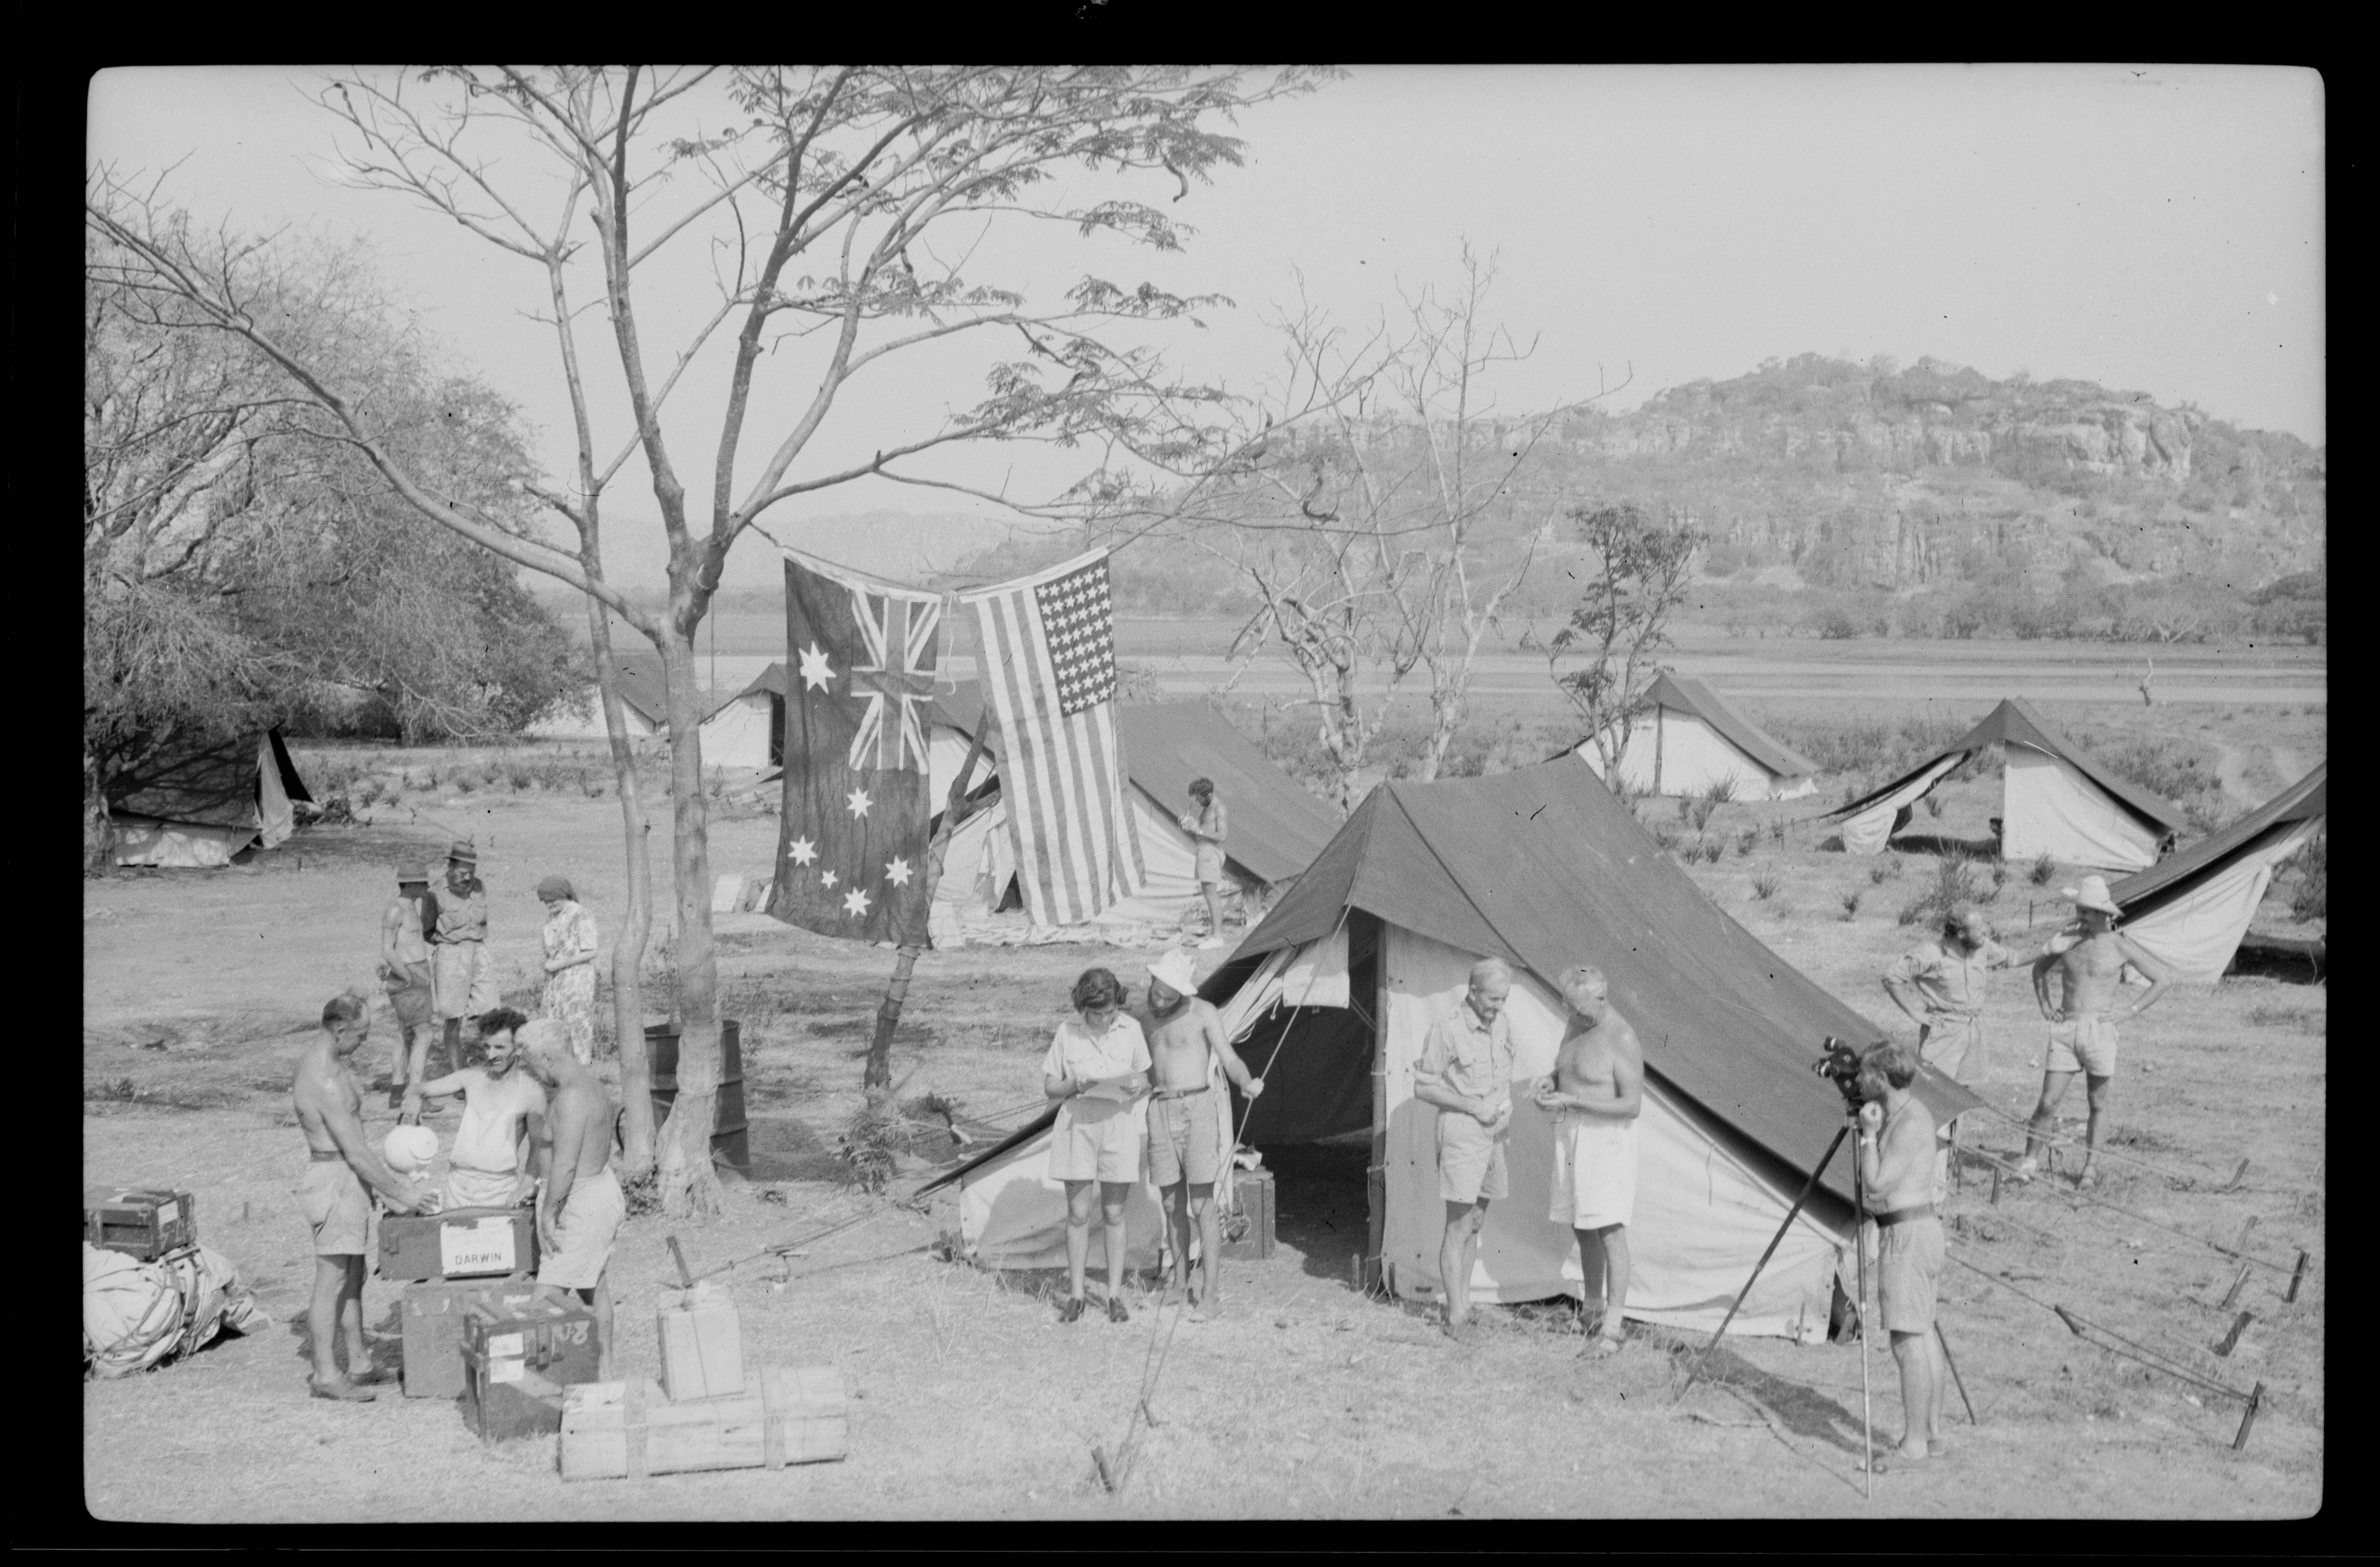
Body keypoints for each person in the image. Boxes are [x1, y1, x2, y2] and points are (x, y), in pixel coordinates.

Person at [291, 992, 431, 1401]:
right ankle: (325, 1375)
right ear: (339, 1030)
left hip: (348, 1177)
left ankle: (359, 1362)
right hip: (335, 1176)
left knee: (354, 1275)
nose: (364, 1042)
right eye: (361, 1034)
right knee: (332, 1277)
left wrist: (375, 1187)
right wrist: (402, 1193)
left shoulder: (335, 1065)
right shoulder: (324, 1079)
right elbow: (354, 1151)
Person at [2014, 875, 2175, 1190]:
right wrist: (2045, 1005)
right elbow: (2038, 968)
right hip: (2066, 1028)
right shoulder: (2066, 939)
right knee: (2048, 1102)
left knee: (2097, 1102)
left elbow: (2163, 980)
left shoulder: (2120, 945)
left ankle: (2090, 1167)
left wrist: (2127, 1012)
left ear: (2105, 913)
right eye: (2079, 909)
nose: (2081, 916)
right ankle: (2028, 1163)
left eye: (2087, 911)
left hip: (2100, 1031)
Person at [1140, 948, 1264, 1321]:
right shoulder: (1143, 1018)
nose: (1160, 1000)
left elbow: (1229, 1058)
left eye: (1168, 995)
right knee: (1170, 1205)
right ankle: (1179, 1285)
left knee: (1202, 1205)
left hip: (1198, 1108)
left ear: (1182, 991)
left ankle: (1210, 1294)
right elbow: (1140, 1070)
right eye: (1156, 992)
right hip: (1159, 1109)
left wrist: (1245, 1081)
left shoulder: (1203, 1012)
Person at [1529, 965, 1642, 1360]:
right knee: (1581, 1223)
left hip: (1604, 1141)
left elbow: (1632, 1105)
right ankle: (1592, 1307)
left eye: (1583, 1009)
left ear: (1602, 997)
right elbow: (1568, 1071)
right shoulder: (1576, 1024)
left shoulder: (1622, 1036)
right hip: (1571, 1135)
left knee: (1610, 1229)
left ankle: (1613, 1325)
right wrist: (1551, 1081)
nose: (1576, 1016)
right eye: (1571, 1009)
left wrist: (1575, 1102)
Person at [1412, 956, 1516, 1343]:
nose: (1498, 1007)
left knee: (1476, 1222)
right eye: (1492, 999)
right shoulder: (1447, 1029)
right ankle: (1455, 1316)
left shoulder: (1502, 1022)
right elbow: (1423, 1086)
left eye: (1503, 999)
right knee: (1457, 1226)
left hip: (1494, 1137)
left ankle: (1466, 1305)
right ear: (1472, 992)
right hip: (1462, 1135)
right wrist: (1474, 1106)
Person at [1041, 967, 1152, 1324]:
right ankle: (1076, 1295)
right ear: (1083, 1008)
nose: (1106, 1019)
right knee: (1078, 1214)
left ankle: (1115, 1294)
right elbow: (1050, 1087)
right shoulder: (1067, 1032)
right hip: (1079, 1127)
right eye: (1098, 1013)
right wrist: (1075, 1083)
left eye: (1111, 1011)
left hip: (1118, 1126)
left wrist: (1138, 1087)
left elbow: (1145, 1077)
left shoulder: (1131, 1029)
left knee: (1114, 1214)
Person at [1855, 1041, 1947, 1468]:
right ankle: (1931, 1434)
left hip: (1907, 1236)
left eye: (1863, 1074)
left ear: (1879, 1079)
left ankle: (1914, 1441)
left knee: (1907, 1341)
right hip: (1918, 1230)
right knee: (1923, 1332)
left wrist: (1869, 1137)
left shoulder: (1908, 1124)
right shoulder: (1911, 1113)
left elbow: (1876, 1184)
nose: (1857, 1081)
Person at [519, 1018, 625, 1380]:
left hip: (578, 1201)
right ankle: (604, 1372)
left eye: (529, 1060)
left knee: (543, 1298)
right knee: (594, 1285)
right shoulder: (587, 1083)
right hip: (589, 1195)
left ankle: (534, 1388)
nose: (529, 1068)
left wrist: (550, 1212)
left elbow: (565, 1165)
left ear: (547, 1056)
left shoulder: (573, 1096)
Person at [402, 1006, 547, 1211]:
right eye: (487, 1047)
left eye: (500, 1048)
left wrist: (526, 1185)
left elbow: (539, 1145)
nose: (491, 1055)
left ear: (519, 1048)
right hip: (457, 1187)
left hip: (500, 1190)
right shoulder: (470, 1078)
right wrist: (415, 1097)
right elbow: (418, 1089)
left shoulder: (532, 1093)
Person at [1882, 907, 2018, 1087]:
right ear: (1962, 933)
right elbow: (1892, 978)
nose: (1986, 931)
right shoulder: (1931, 953)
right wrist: (1915, 1013)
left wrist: (2052, 949)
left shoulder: (1981, 948)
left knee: (1962, 1094)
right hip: (1943, 1032)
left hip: (1972, 1030)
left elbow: (2014, 959)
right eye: (1979, 928)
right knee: (1934, 1090)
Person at [427, 842, 498, 1078]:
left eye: (472, 872)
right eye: (462, 872)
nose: (468, 877)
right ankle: (459, 1075)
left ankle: (494, 1070)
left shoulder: (480, 887)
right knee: (453, 1018)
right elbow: (426, 930)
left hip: (478, 951)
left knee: (491, 1012)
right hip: (450, 953)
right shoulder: (435, 893)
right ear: (451, 866)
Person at [378, 863, 438, 1109]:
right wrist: (408, 977)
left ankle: (397, 1092)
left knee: (405, 1033)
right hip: (410, 974)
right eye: (423, 883)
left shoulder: (412, 908)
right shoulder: (395, 911)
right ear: (411, 884)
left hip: (417, 972)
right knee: (425, 1034)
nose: (426, 886)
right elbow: (386, 950)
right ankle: (416, 1095)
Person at [537, 876, 601, 1065]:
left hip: (577, 980)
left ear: (564, 895)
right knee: (553, 1027)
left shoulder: (581, 914)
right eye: (545, 901)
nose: (549, 904)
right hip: (556, 982)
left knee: (576, 1028)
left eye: (552, 899)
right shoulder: (552, 918)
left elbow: (591, 951)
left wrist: (560, 964)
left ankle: (579, 1076)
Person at [1179, 778, 1230, 950]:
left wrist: (1198, 830)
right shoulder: (1207, 809)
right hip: (1204, 851)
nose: (1198, 802)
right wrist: (1190, 827)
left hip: (1211, 854)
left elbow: (1222, 836)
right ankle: (1215, 935)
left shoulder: (1218, 808)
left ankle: (1218, 937)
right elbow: (1202, 835)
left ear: (1208, 794)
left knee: (1211, 895)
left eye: (1199, 798)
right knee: (1208, 894)